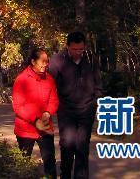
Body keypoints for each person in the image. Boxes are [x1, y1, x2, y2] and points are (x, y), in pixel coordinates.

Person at [48, 31, 102, 179]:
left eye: (81, 49)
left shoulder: (90, 58)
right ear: (67, 47)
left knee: (82, 146)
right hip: (66, 109)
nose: (78, 52)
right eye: (75, 49)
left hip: (87, 109)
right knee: (67, 144)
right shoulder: (57, 60)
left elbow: (98, 81)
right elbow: (49, 85)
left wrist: (96, 101)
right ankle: (65, 175)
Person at [12, 45, 59, 178]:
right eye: (42, 62)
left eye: (47, 61)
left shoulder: (49, 79)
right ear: (33, 61)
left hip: (45, 127)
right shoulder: (22, 79)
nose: (46, 65)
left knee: (50, 162)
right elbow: (18, 106)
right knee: (23, 163)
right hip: (26, 129)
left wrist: (48, 112)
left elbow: (54, 100)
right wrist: (35, 120)